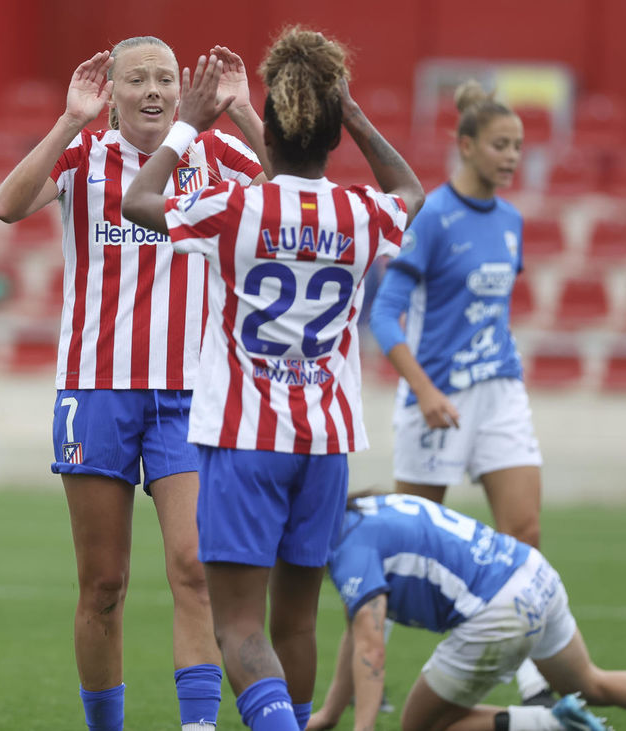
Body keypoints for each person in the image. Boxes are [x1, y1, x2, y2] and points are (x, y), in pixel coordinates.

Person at [123, 29, 425, 731]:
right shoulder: (361, 212)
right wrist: (355, 117)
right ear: (330, 131)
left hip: (243, 437)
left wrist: (191, 126)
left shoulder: (235, 208)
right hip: (324, 443)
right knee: (294, 625)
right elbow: (410, 189)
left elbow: (139, 200)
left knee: (237, 629)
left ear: (274, 127)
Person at [0, 37, 266, 731]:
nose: (151, 90)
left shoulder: (222, 157)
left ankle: (196, 726)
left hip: (191, 395)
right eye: (136, 78)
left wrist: (242, 112)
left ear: (182, 89)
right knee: (104, 584)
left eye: (164, 79)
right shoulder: (84, 157)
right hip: (96, 389)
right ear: (111, 90)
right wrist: (67, 120)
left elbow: (296, 190)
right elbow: (6, 205)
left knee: (194, 567)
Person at [368, 80, 554, 704]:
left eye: (519, 147)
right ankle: (369, 671)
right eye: (501, 145)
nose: (511, 157)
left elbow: (490, 313)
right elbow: (385, 315)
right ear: (467, 145)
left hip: (500, 387)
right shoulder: (435, 218)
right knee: (408, 544)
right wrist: (422, 390)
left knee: (523, 532)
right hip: (436, 396)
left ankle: (532, 679)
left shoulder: (510, 220)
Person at [306, 491, 626, 731]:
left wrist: (363, 728)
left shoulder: (347, 548)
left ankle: (551, 721)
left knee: (421, 725)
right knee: (591, 681)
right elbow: (360, 625)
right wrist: (330, 712)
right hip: (532, 573)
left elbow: (370, 644)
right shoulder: (365, 509)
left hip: (497, 611)